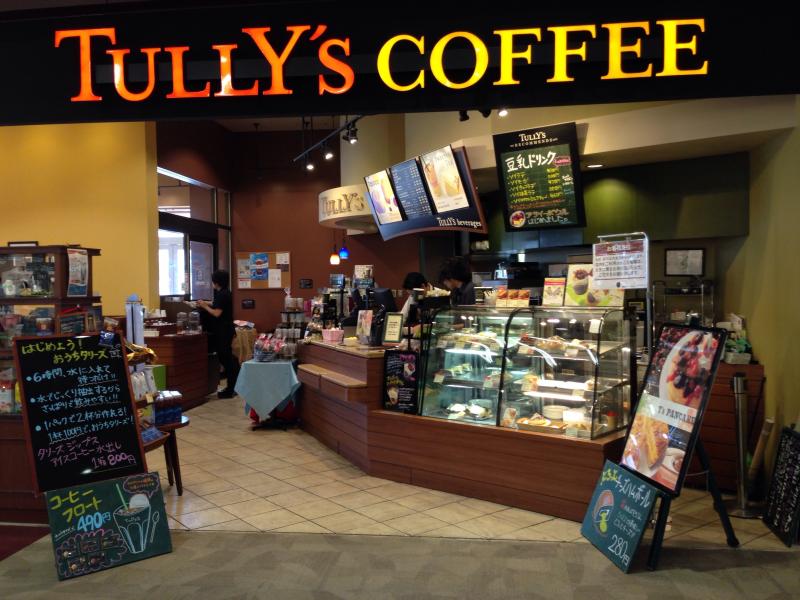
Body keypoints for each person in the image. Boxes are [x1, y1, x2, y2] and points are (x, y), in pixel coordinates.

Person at [196, 269, 240, 399]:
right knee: (228, 358)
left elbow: (217, 313)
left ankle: (231, 389)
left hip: (223, 331)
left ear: (217, 282)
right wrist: (207, 303)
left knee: (225, 358)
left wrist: (204, 306)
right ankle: (233, 387)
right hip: (227, 330)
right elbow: (217, 305)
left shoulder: (222, 295)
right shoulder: (225, 293)